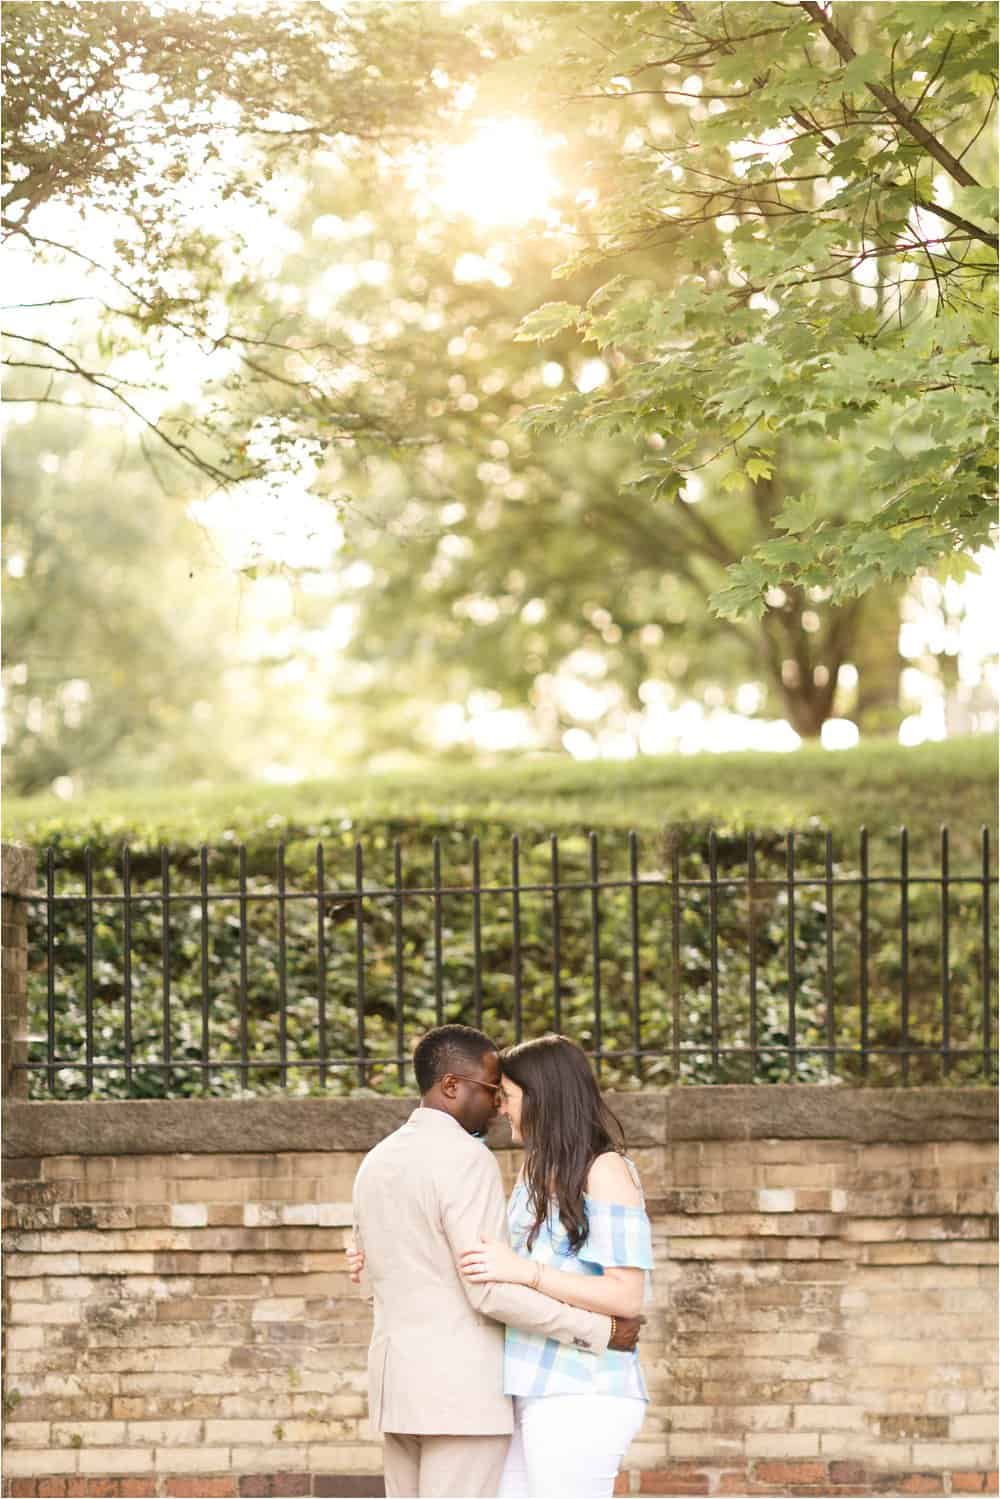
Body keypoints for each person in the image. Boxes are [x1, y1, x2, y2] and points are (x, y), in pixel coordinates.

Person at [349, 1024, 642, 1499]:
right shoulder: (467, 1158)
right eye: (491, 1091)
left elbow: (369, 1282)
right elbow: (487, 1288)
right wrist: (600, 1330)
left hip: (396, 1393)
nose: (497, 1105)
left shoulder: (377, 1160)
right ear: (450, 1086)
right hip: (461, 1395)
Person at [459, 1034, 653, 1499]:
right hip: (531, 1386)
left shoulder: (605, 1172)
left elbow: (627, 1296)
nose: (501, 1109)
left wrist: (529, 1273)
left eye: (507, 1097)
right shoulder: (532, 1174)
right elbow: (491, 1261)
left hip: (582, 1390)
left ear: (542, 1097)